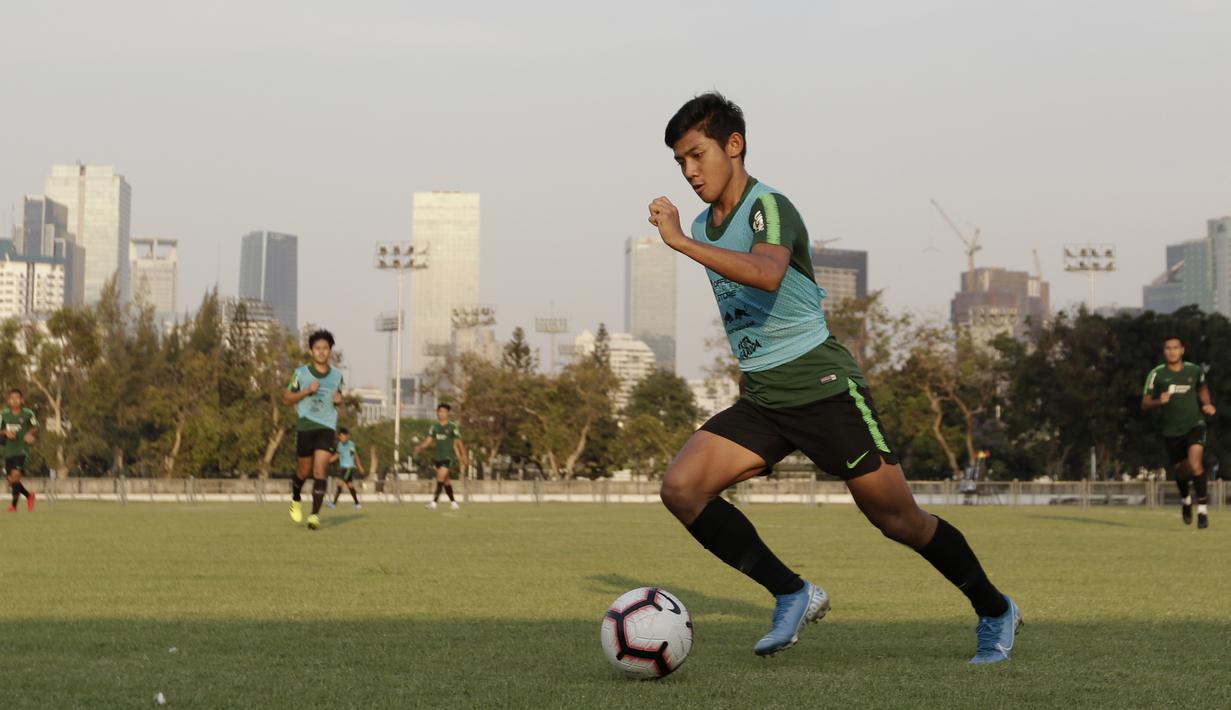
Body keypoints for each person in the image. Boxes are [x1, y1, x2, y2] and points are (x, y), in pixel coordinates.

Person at [646, 92, 1019, 663]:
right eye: (680, 162)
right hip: (764, 396)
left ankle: (994, 609)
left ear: (734, 145)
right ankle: (792, 592)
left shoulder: (768, 206)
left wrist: (680, 243)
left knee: (899, 520)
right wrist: (692, 240)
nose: (690, 171)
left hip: (822, 387)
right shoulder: (702, 223)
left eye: (697, 155)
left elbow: (768, 274)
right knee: (682, 488)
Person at [1142, 336, 1215, 529]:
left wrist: (1207, 404)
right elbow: (1145, 403)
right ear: (1164, 351)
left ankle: (1202, 510)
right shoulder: (1156, 374)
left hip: (1195, 424)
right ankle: (1186, 500)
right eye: (1168, 348)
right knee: (1181, 472)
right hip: (1172, 431)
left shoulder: (1194, 370)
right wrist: (1159, 401)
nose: (1172, 351)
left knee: (1195, 464)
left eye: (1175, 348)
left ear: (1182, 350)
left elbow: (1202, 388)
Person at [282, 330, 344, 530]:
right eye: (317, 348)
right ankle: (296, 498)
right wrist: (307, 391)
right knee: (303, 471)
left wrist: (339, 401)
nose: (321, 352)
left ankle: (314, 516)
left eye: (325, 348)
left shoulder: (337, 376)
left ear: (330, 351)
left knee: (320, 470)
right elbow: (286, 399)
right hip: (306, 426)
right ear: (311, 351)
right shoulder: (301, 373)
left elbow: (338, 399)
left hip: (326, 427)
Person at [414, 403, 468, 510]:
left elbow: (458, 441)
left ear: (448, 413)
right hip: (438, 457)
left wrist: (464, 456)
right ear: (437, 413)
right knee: (445, 481)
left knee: (440, 478)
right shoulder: (434, 427)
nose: (442, 414)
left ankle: (434, 502)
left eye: (444, 412)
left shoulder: (452, 426)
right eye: (440, 411)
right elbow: (428, 441)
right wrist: (420, 447)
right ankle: (454, 503)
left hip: (448, 457)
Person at [3, 388, 37, 513]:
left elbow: (35, 426)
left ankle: (13, 506)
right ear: (8, 400)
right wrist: (5, 432)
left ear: (22, 400)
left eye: (17, 398)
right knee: (11, 480)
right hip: (8, 452)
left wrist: (30, 433)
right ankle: (29, 496)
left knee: (16, 475)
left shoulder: (28, 413)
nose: (15, 400)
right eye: (12, 398)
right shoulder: (3, 415)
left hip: (22, 451)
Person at [327, 427, 364, 510]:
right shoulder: (340, 444)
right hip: (342, 468)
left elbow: (355, 456)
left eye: (342, 436)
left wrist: (360, 466)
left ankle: (333, 504)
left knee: (340, 484)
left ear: (347, 436)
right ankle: (357, 504)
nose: (340, 438)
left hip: (348, 468)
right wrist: (329, 460)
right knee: (350, 486)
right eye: (340, 436)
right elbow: (338, 455)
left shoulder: (351, 444)